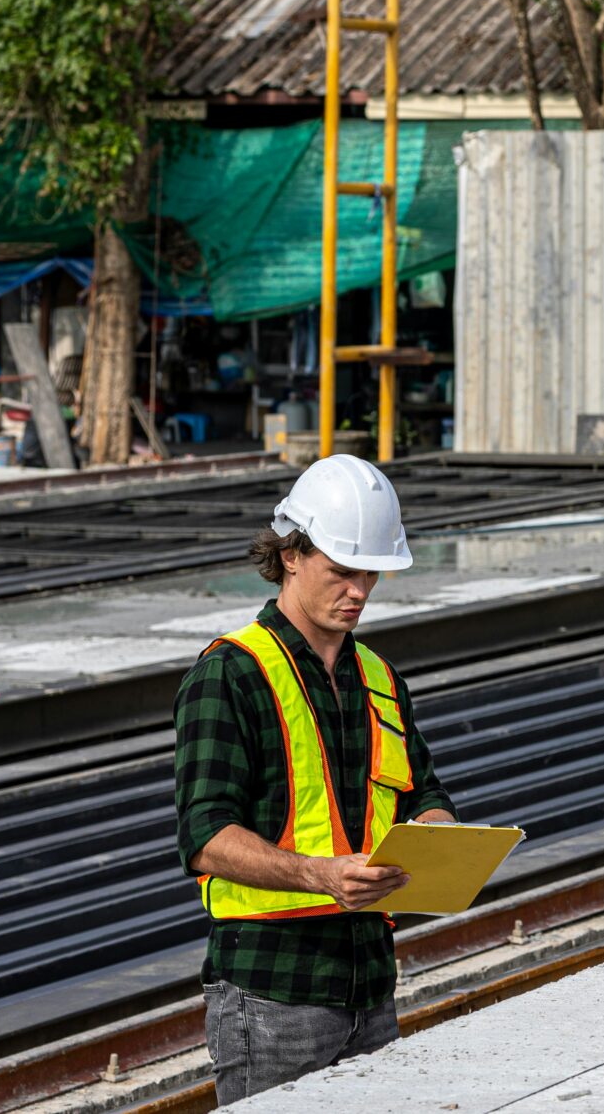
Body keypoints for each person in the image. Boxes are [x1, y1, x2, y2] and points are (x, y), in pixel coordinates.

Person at [174, 455, 457, 1104]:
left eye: (370, 573)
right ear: (292, 553)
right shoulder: (232, 674)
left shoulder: (381, 679)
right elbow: (204, 834)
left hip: (372, 986)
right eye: (342, 570)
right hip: (273, 995)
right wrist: (319, 873)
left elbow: (424, 792)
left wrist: (440, 837)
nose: (358, 589)